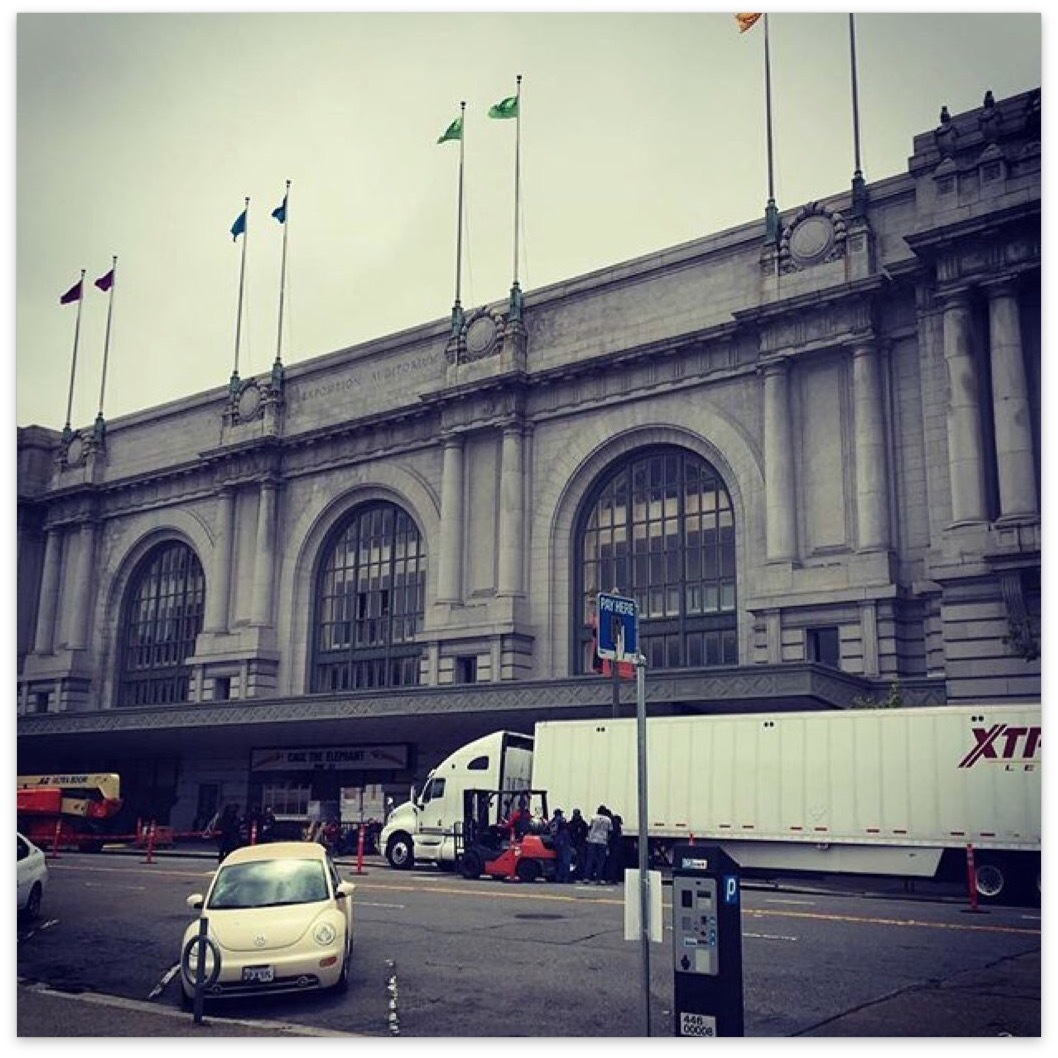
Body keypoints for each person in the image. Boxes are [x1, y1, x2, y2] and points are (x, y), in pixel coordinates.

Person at [582, 804, 612, 884]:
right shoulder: (608, 819)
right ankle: (598, 879)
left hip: (592, 840)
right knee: (601, 861)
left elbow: (590, 828)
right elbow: (610, 831)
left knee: (590, 860)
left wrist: (588, 837)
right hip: (602, 841)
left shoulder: (593, 818)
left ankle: (586, 878)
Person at [548, 808, 572, 883]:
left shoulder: (552, 821)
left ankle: (558, 877)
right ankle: (565, 878)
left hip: (556, 840)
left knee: (559, 860)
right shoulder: (561, 820)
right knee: (565, 860)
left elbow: (551, 831)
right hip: (563, 840)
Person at [567, 808, 588, 880]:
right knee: (572, 861)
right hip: (573, 844)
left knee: (581, 861)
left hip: (580, 844)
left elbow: (585, 833)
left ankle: (580, 875)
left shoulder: (582, 824)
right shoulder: (571, 823)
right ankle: (572, 875)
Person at [606, 812, 624, 883]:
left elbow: (611, 834)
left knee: (610, 862)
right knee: (615, 862)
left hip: (612, 845)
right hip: (617, 845)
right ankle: (614, 878)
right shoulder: (617, 824)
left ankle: (610, 878)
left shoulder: (612, 822)